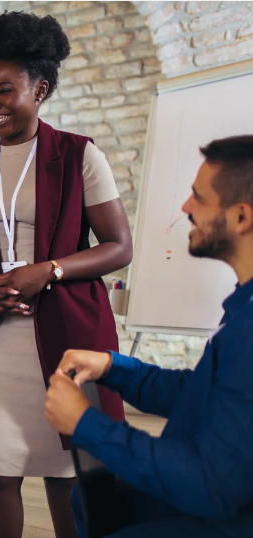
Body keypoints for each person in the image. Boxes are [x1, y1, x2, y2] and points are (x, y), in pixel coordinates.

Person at [0, 12, 131, 538]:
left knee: (69, 474)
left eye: (5, 90)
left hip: (70, 330)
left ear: (41, 88)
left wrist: (47, 271)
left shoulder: (78, 154)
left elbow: (120, 246)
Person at [47, 135, 253, 537]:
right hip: (226, 490)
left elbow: (211, 486)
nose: (185, 208)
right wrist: (114, 366)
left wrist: (87, 424)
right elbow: (200, 392)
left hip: (230, 507)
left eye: (199, 199)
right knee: (93, 497)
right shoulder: (243, 305)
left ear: (242, 218)